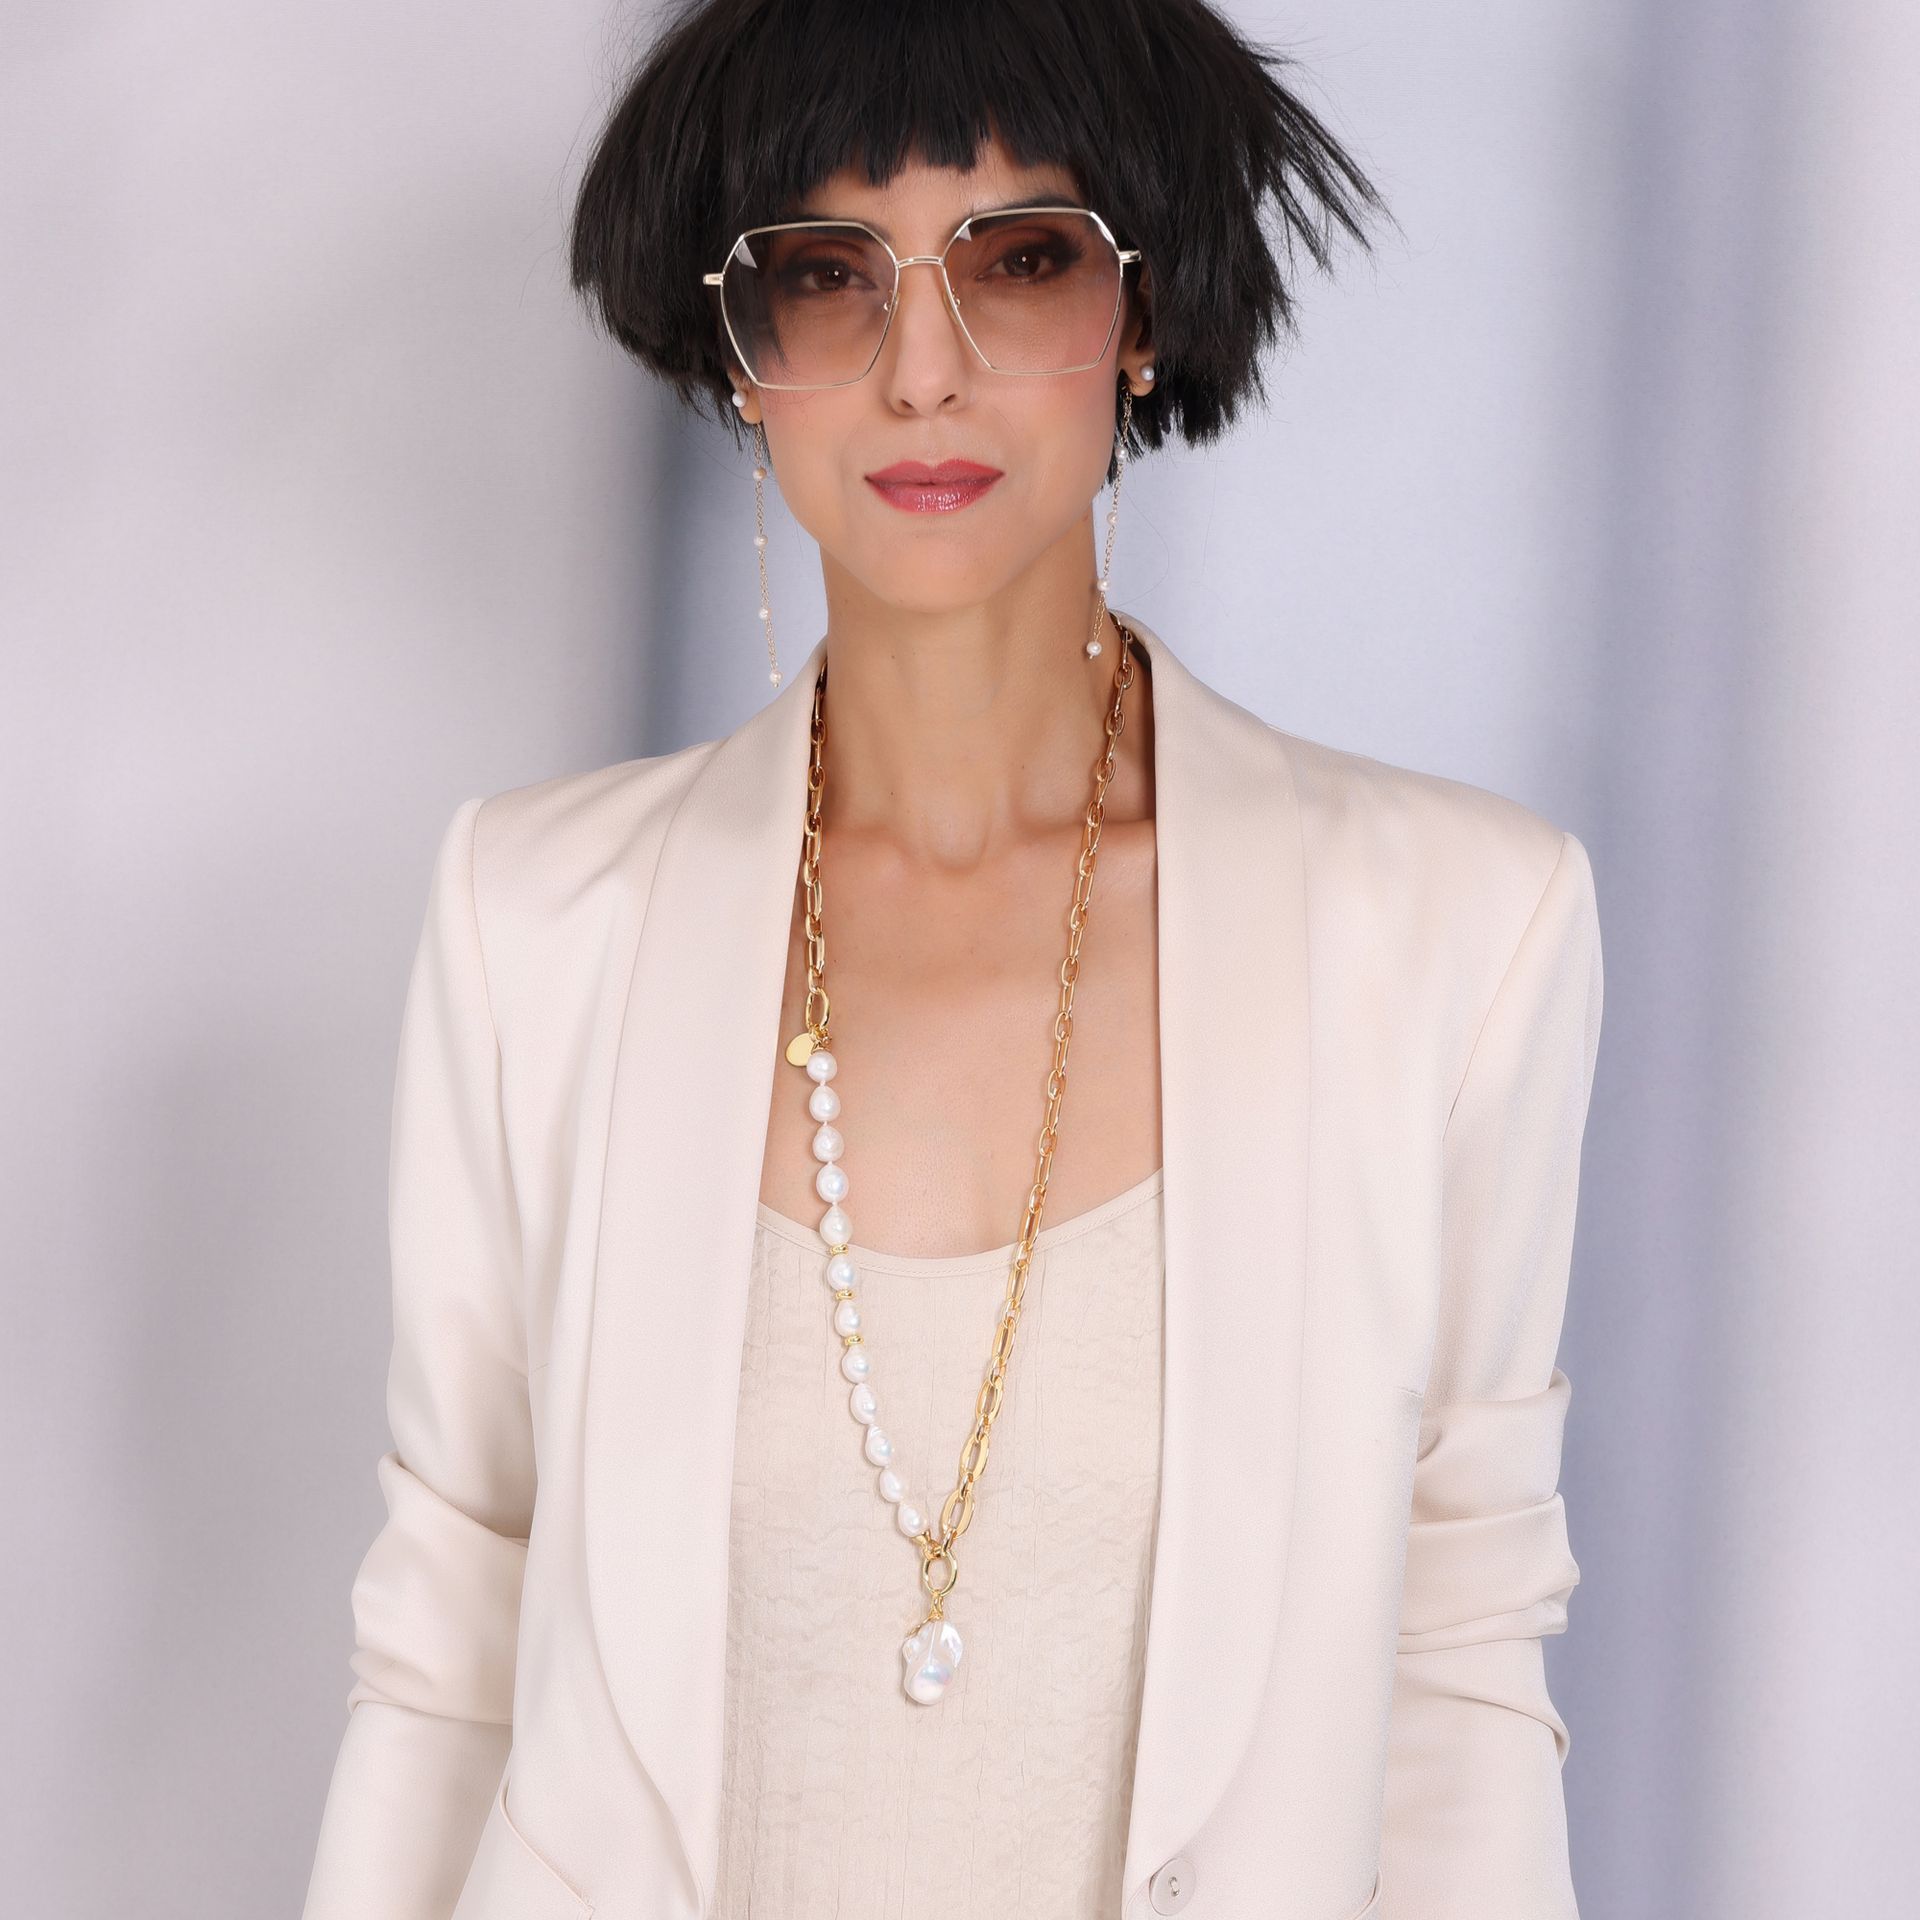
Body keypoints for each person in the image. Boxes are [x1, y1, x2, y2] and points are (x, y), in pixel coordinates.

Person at [302, 3, 1604, 1917]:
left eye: (1020, 260)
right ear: (739, 348)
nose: (924, 369)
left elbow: (1461, 1673)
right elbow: (446, 1659)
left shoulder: (1455, 936)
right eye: (829, 277)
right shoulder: (538, 927)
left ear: (1143, 310)